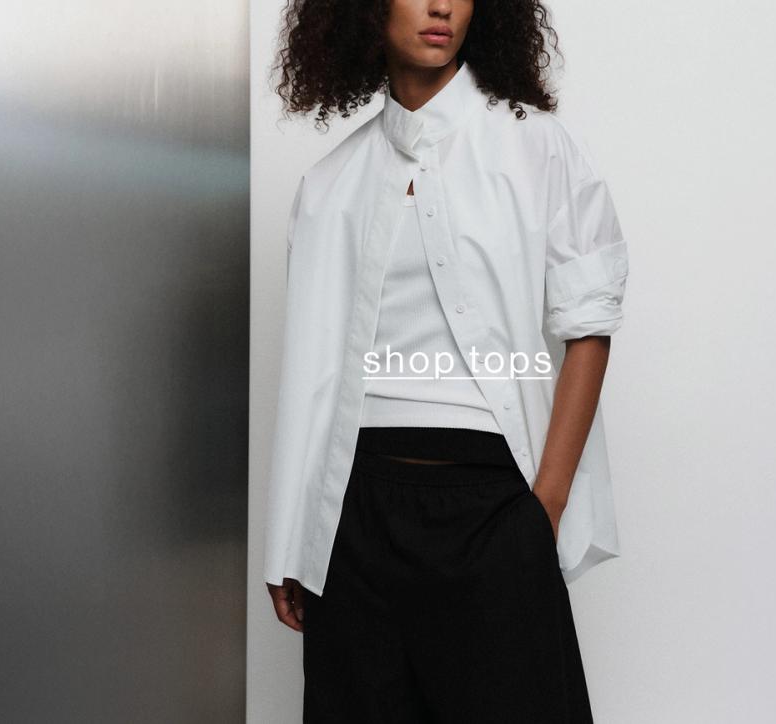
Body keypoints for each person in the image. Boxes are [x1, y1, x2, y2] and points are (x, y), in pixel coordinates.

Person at [265, 1, 630, 721]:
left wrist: (543, 511)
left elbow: (590, 324)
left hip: (492, 513)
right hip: (355, 520)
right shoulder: (329, 185)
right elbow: (309, 377)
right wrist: (292, 536)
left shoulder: (537, 147)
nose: (441, 6)